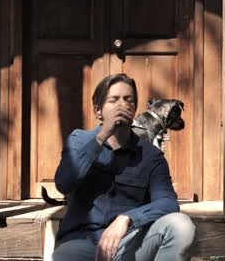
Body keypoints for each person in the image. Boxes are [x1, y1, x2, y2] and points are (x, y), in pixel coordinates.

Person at [52, 74, 195, 261]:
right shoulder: (79, 140)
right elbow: (64, 183)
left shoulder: (150, 155)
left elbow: (168, 203)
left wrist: (126, 218)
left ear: (134, 108)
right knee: (65, 256)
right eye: (114, 100)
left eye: (129, 100)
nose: (123, 105)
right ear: (98, 110)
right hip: (82, 243)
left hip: (129, 243)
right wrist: (102, 135)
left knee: (181, 225)